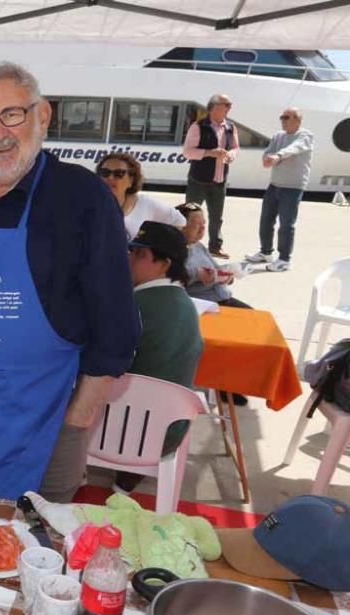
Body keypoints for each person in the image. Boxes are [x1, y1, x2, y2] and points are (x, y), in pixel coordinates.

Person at [0, 62, 139, 502]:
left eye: (12, 114)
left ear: (42, 115)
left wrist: (78, 419)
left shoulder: (82, 198)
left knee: (31, 549)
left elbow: (116, 326)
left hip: (44, 426)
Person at [113, 221, 204, 492]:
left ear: (164, 264)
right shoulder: (187, 305)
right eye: (131, 252)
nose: (129, 259)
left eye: (140, 255)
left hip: (121, 430)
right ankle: (123, 485)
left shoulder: (133, 306)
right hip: (169, 431)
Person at [178, 201, 249, 406]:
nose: (202, 229)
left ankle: (236, 380)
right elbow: (174, 276)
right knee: (235, 334)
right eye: (196, 224)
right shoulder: (175, 250)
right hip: (203, 304)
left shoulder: (199, 246)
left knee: (254, 322)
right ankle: (225, 384)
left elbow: (217, 268)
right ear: (181, 225)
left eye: (204, 223)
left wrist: (228, 275)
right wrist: (196, 275)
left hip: (221, 296)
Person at [245, 107, 314, 272]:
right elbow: (269, 151)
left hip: (293, 187)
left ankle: (284, 260)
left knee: (286, 224)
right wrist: (266, 158)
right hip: (274, 184)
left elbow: (294, 148)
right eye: (281, 117)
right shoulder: (278, 136)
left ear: (297, 120)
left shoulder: (305, 136)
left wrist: (278, 156)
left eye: (286, 117)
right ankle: (266, 252)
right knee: (266, 219)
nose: (282, 120)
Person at [182, 94, 239, 259]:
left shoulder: (230, 127)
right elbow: (187, 152)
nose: (229, 108)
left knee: (216, 217)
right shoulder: (198, 126)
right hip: (198, 180)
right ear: (214, 107)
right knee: (190, 214)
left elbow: (235, 148)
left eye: (229, 105)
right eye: (226, 104)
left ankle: (215, 247)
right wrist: (209, 153)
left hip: (219, 181)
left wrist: (231, 155)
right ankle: (184, 244)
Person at [96, 152, 186, 239]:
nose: (110, 178)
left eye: (118, 174)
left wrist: (156, 248)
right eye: (105, 173)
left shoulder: (144, 203)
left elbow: (179, 221)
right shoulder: (87, 202)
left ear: (131, 180)